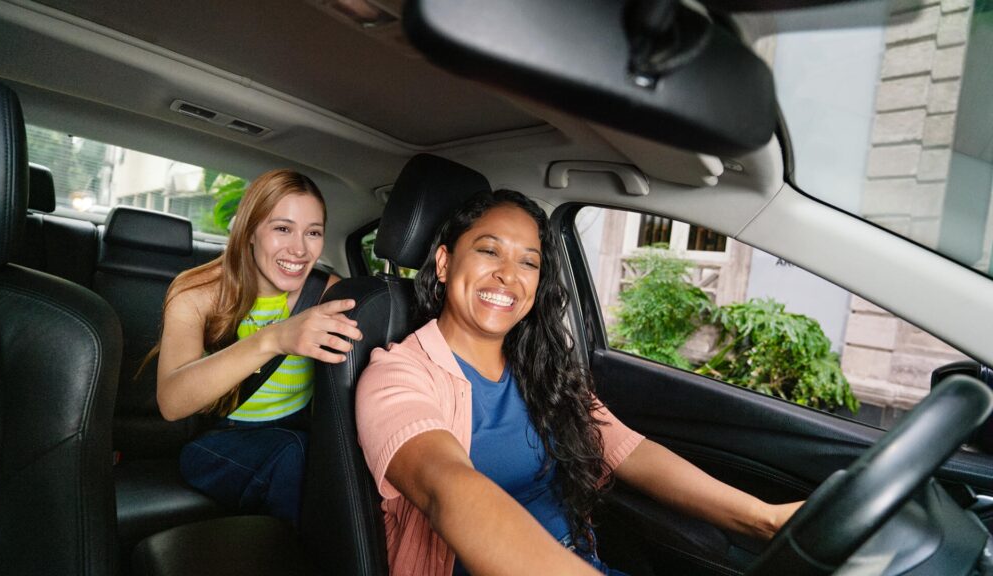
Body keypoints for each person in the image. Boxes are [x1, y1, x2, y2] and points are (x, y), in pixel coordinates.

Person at [356, 190, 801, 576]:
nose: (508, 274)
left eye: (528, 262)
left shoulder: (539, 367)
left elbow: (628, 450)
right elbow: (449, 490)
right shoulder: (396, 376)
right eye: (489, 251)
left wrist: (765, 519)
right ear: (444, 263)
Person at [152, 168, 362, 526]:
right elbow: (171, 403)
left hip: (299, 433)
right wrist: (274, 338)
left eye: (313, 233)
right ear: (249, 232)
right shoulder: (196, 294)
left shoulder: (329, 293)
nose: (299, 249)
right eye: (282, 229)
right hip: (220, 440)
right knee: (293, 455)